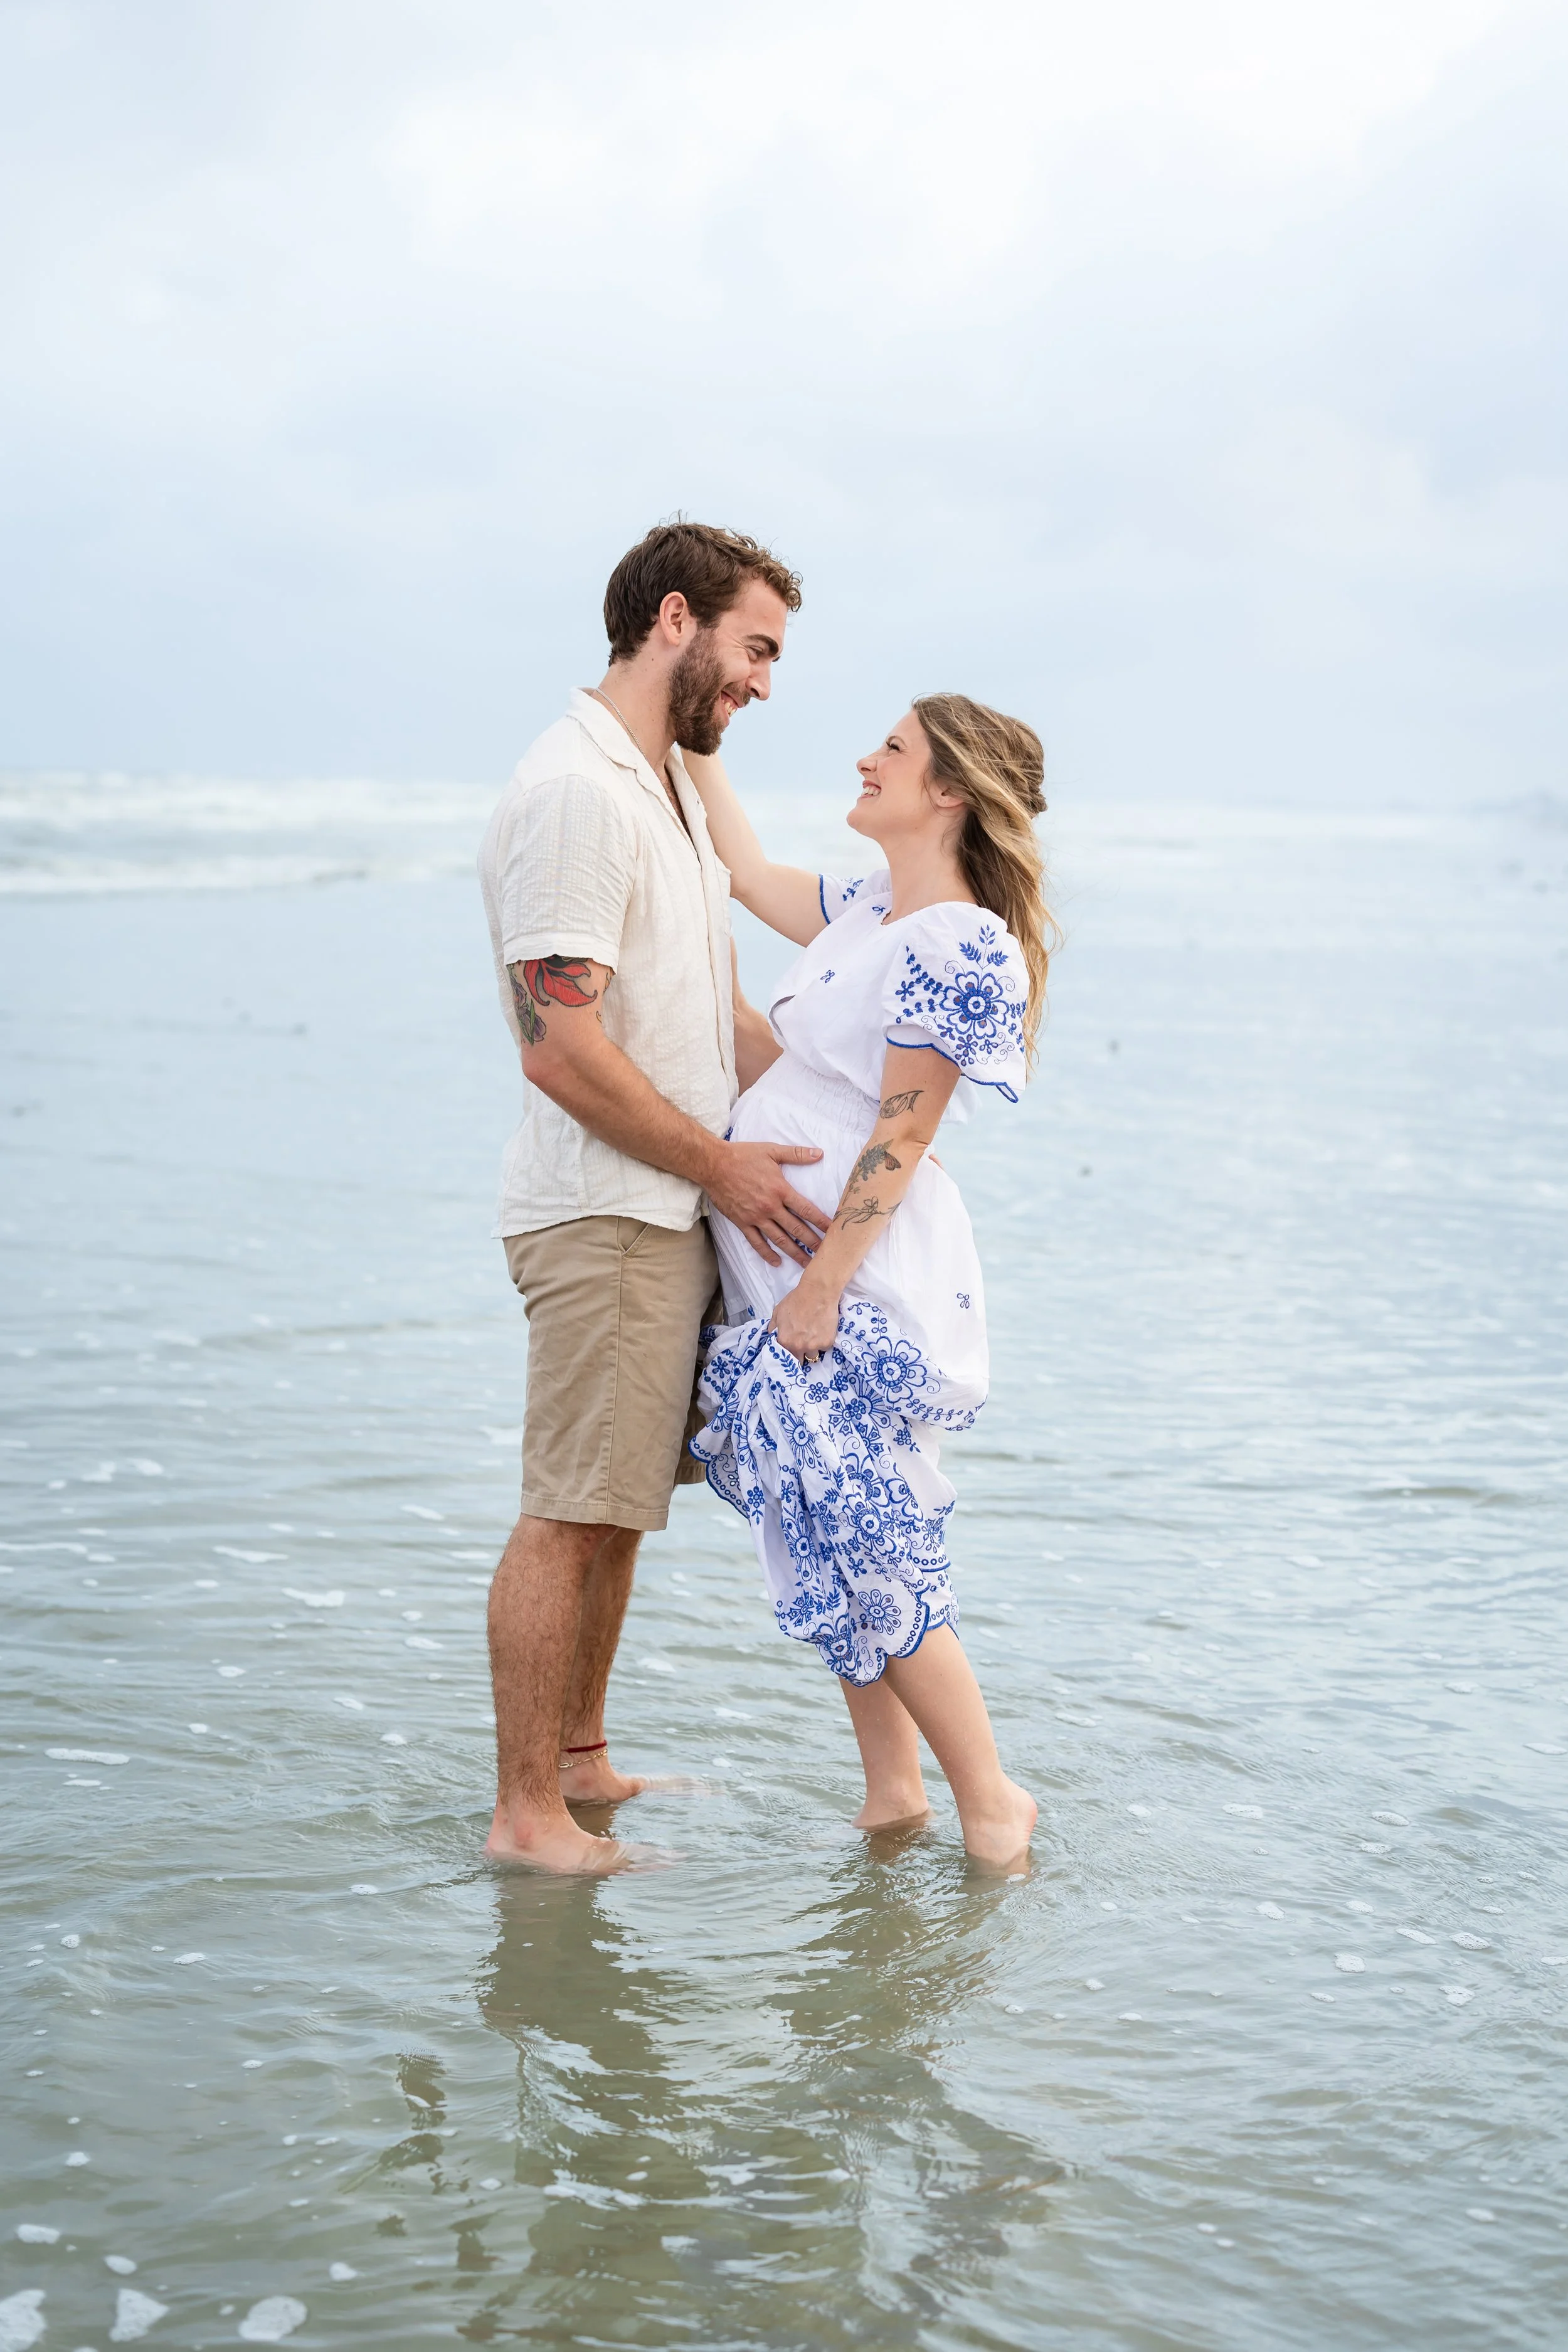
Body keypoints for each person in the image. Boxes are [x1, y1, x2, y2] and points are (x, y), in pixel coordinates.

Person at [478, 521, 828, 1875]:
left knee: (618, 1507)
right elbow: (558, 1045)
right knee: (570, 1507)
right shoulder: (578, 793)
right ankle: (527, 1816)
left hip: (668, 1209)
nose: (762, 684)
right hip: (608, 1210)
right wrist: (722, 1165)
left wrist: (868, 1123)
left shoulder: (667, 787)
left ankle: (578, 1765)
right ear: (675, 618)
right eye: (756, 650)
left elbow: (715, 1014)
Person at [684, 696, 1054, 1868]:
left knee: (865, 1520)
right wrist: (690, 732)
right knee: (819, 1510)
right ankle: (895, 1792)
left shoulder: (956, 940)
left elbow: (903, 1129)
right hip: (787, 1257)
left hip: (850, 1269)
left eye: (892, 748)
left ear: (948, 790)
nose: (865, 757)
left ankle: (991, 1798)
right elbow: (746, 870)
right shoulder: (870, 908)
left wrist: (822, 1289)